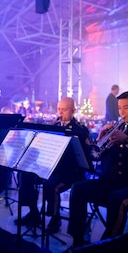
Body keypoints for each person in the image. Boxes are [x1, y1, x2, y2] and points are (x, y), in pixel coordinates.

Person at [67, 91, 128, 248]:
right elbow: (96, 156)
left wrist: (126, 140)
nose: (121, 112)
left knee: (116, 199)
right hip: (115, 181)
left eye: (126, 108)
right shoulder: (119, 129)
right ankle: (77, 241)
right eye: (119, 108)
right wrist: (100, 139)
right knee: (78, 188)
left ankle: (107, 246)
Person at [15, 97, 92, 235]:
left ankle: (55, 218)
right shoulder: (54, 125)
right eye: (59, 109)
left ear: (73, 110)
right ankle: (34, 213)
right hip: (51, 167)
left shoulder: (80, 130)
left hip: (70, 172)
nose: (60, 113)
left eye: (64, 110)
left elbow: (84, 156)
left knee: (50, 185)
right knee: (25, 175)